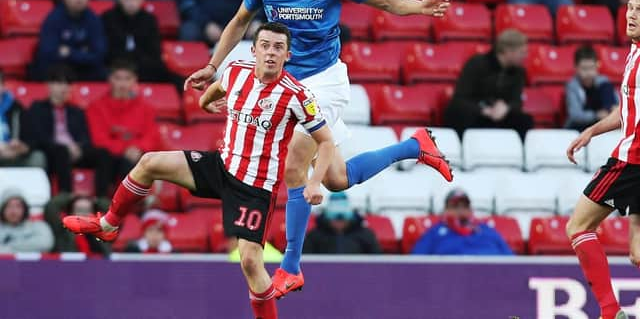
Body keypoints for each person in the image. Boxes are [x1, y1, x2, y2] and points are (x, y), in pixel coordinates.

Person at [64, 22, 449, 317]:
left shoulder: (298, 95)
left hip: (254, 188)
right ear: (255, 48)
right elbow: (211, 95)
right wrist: (208, 104)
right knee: (148, 163)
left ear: (287, 55)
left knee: (251, 260)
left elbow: (327, 142)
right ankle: (111, 224)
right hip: (221, 167)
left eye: (278, 48)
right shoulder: (235, 71)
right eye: (264, 45)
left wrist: (313, 184)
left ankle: (411, 147)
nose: (269, 53)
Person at [183, 0, 452, 299]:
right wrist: (212, 65)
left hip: (323, 81)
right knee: (337, 179)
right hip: (288, 82)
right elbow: (240, 21)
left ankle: (291, 266)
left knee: (294, 163)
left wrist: (419, 6)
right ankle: (415, 146)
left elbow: (381, 1)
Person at [564, 0, 640, 319]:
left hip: (631, 160)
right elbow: (627, 110)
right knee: (637, 253)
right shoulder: (634, 52)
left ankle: (610, 312)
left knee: (578, 226)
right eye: (631, 7)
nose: (631, 14)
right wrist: (592, 131)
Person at [23, 65, 114, 195]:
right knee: (62, 151)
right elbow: (38, 137)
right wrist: (64, 147)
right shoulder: (37, 108)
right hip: (52, 152)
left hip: (75, 150)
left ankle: (102, 198)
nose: (64, 87)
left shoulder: (76, 111)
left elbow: (85, 136)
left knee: (103, 154)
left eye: (68, 83)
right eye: (59, 83)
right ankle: (65, 196)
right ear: (49, 85)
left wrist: (78, 147)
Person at [444, 29, 533, 140]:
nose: (525, 56)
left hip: (499, 115)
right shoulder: (476, 63)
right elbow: (460, 99)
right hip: (476, 112)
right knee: (459, 113)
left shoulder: (519, 72)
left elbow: (516, 101)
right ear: (508, 51)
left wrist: (506, 107)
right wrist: (484, 110)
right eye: (522, 52)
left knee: (524, 120)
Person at [86, 59, 160, 191]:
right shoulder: (96, 107)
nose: (122, 84)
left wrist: (138, 148)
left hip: (135, 157)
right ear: (110, 79)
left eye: (127, 78)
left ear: (134, 80)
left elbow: (152, 136)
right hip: (110, 159)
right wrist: (126, 149)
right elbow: (98, 139)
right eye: (118, 78)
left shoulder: (146, 109)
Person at [102, 0, 182, 88]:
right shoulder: (107, 18)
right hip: (115, 67)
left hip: (143, 67)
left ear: (142, 0)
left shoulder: (149, 20)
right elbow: (105, 51)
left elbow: (155, 52)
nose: (131, 3)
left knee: (177, 80)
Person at [30, 0, 107, 81]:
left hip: (84, 69)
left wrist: (69, 52)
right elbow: (48, 52)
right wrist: (83, 53)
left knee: (102, 72)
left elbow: (99, 55)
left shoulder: (94, 20)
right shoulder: (54, 18)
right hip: (58, 69)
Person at [411, 189, 513, 255]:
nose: (461, 210)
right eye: (455, 206)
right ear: (446, 210)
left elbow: (511, 262)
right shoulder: (434, 234)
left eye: (465, 206)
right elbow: (417, 264)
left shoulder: (487, 231)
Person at [303, 192, 381, 254]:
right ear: (327, 217)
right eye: (335, 218)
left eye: (343, 218)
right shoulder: (314, 236)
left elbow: (377, 262)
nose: (339, 222)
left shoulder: (366, 235)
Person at [565, 45, 618, 132]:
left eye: (591, 68)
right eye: (584, 68)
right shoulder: (572, 86)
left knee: (606, 87)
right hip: (579, 128)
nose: (588, 73)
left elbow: (618, 106)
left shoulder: (604, 82)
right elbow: (575, 115)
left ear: (597, 66)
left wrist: (612, 112)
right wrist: (596, 115)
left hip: (602, 126)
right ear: (576, 68)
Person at [0, 70, 46, 168]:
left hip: (13, 154)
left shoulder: (17, 108)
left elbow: (33, 138)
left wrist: (23, 148)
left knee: (38, 158)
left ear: (3, 87)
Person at [44, 192, 110, 255]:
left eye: (87, 211)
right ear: (71, 214)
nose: (83, 215)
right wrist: (72, 196)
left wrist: (96, 200)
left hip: (98, 265)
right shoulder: (62, 229)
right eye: (79, 211)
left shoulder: (102, 232)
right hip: (69, 265)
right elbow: (51, 207)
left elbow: (115, 212)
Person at [0, 189, 54, 253]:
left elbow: (46, 244)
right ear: (2, 209)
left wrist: (8, 248)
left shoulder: (39, 226)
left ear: (25, 208)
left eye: (18, 206)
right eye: (9, 206)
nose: (13, 211)